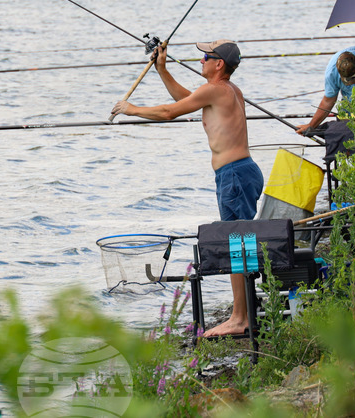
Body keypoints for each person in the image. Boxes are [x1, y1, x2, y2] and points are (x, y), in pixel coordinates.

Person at [111, 40, 262, 337]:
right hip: (240, 173)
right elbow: (187, 100)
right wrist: (162, 69)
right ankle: (246, 310)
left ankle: (240, 318)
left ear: (219, 64)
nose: (201, 60)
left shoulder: (215, 90)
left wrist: (131, 109)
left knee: (236, 246)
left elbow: (170, 112)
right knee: (240, 244)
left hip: (234, 175)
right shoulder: (228, 90)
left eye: (206, 56)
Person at [295, 46, 355, 136]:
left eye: (354, 78)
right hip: (350, 110)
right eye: (347, 80)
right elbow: (328, 101)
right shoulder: (331, 72)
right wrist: (311, 126)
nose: (352, 82)